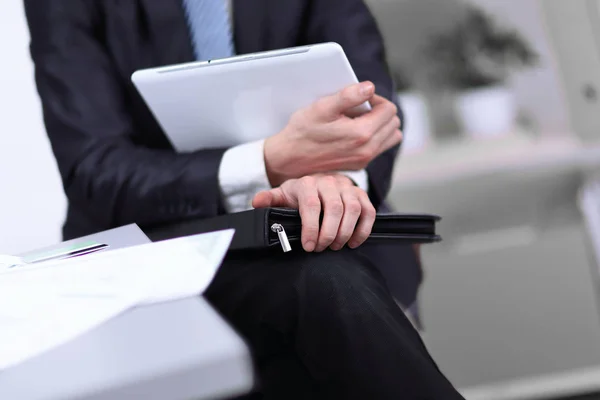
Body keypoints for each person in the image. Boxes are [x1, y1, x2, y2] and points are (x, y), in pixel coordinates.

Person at [24, 0, 463, 398]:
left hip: (308, 231)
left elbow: (371, 102)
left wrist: (333, 184)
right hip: (156, 250)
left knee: (330, 279)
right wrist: (270, 162)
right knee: (328, 285)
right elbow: (95, 168)